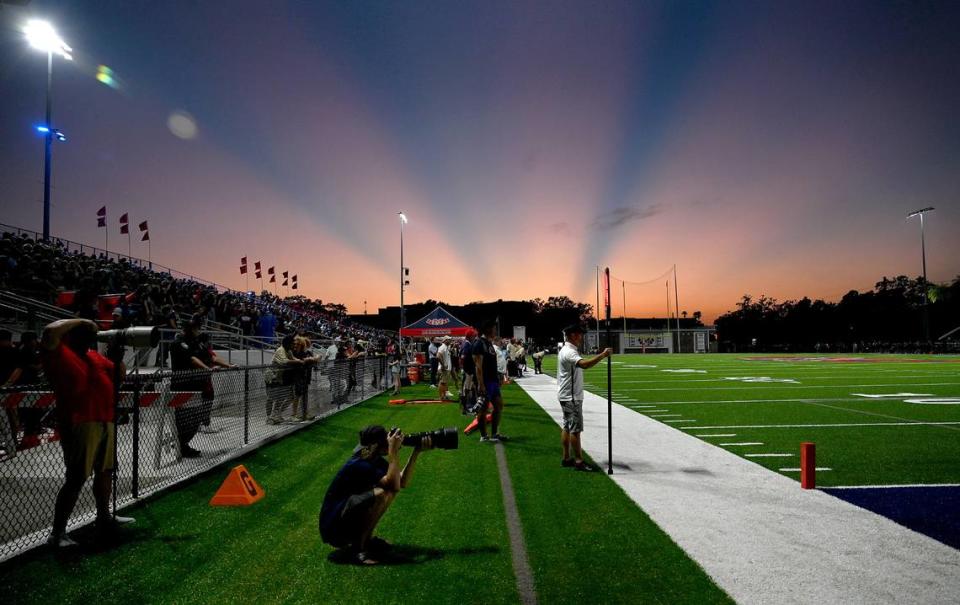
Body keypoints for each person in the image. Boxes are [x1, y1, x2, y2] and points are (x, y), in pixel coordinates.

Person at [40, 318, 134, 547]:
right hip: (80, 421)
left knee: (106, 471)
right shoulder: (60, 352)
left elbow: (120, 376)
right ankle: (58, 532)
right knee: (76, 477)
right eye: (83, 333)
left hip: (104, 419)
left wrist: (117, 358)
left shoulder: (94, 355)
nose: (89, 336)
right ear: (71, 335)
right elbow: (50, 331)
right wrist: (83, 321)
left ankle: (103, 516)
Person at [319, 425, 432, 565]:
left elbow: (401, 482)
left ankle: (367, 541)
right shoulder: (359, 463)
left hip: (344, 519)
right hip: (334, 529)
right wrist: (393, 452)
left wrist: (416, 451)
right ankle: (357, 550)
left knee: (387, 491)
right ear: (375, 445)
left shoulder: (373, 458)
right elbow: (394, 484)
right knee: (381, 493)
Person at [557, 324, 612, 471]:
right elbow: (584, 365)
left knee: (567, 426)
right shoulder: (569, 351)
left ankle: (566, 457)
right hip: (571, 396)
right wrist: (603, 355)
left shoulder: (566, 350)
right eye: (579, 334)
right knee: (575, 429)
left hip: (566, 395)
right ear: (573, 335)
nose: (581, 337)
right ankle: (579, 461)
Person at [169, 315, 219, 457]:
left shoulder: (195, 343)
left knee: (196, 418)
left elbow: (210, 357)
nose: (197, 331)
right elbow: (192, 359)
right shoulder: (178, 343)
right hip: (182, 385)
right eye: (195, 328)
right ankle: (181, 444)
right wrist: (207, 368)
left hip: (195, 385)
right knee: (183, 418)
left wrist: (225, 365)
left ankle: (182, 443)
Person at [472, 320, 507, 442]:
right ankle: (484, 436)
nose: (495, 331)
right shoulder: (479, 343)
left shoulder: (489, 343)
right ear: (487, 329)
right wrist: (481, 384)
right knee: (483, 409)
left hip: (493, 381)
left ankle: (494, 434)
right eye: (494, 328)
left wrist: (498, 377)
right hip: (485, 382)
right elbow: (478, 366)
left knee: (498, 405)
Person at [264, 335, 306, 423]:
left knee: (283, 396)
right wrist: (298, 361)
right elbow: (284, 361)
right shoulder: (281, 350)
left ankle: (276, 415)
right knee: (271, 397)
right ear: (288, 343)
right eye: (293, 344)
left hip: (279, 377)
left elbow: (293, 358)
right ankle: (268, 417)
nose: (294, 345)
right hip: (272, 376)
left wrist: (302, 361)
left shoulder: (288, 350)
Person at [459, 329, 478, 415]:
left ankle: (466, 408)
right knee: (466, 390)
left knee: (467, 389)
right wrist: (465, 369)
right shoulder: (467, 345)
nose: (475, 337)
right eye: (474, 336)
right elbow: (463, 357)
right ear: (470, 336)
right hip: (468, 371)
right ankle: (465, 409)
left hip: (468, 370)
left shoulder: (466, 344)